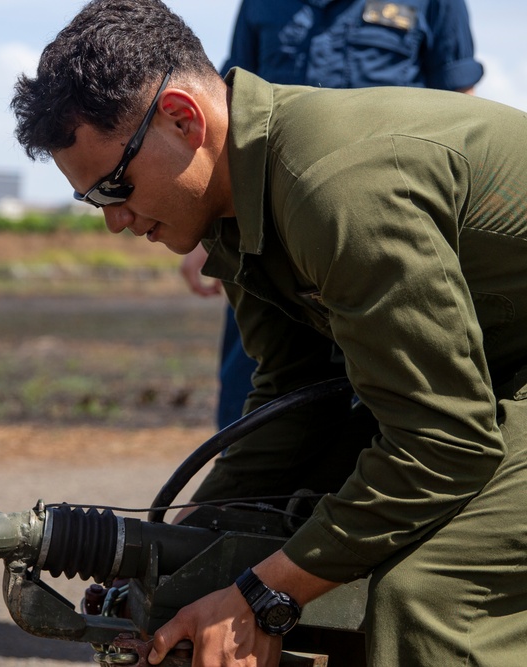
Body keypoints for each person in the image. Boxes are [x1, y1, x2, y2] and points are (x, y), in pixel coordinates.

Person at [10, 0, 527, 665]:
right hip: (494, 368)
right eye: (94, 200)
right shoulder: (236, 213)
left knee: (426, 596)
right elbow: (297, 398)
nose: (115, 220)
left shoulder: (333, 190)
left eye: (116, 186)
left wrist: (264, 593)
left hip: (483, 392)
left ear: (182, 118)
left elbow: (444, 443)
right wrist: (176, 555)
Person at [183, 0, 484, 430]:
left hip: (380, 236)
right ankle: (240, 496)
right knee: (254, 392)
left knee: (395, 390)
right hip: (268, 236)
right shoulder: (259, 5)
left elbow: (460, 109)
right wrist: (206, 235)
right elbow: (225, 112)